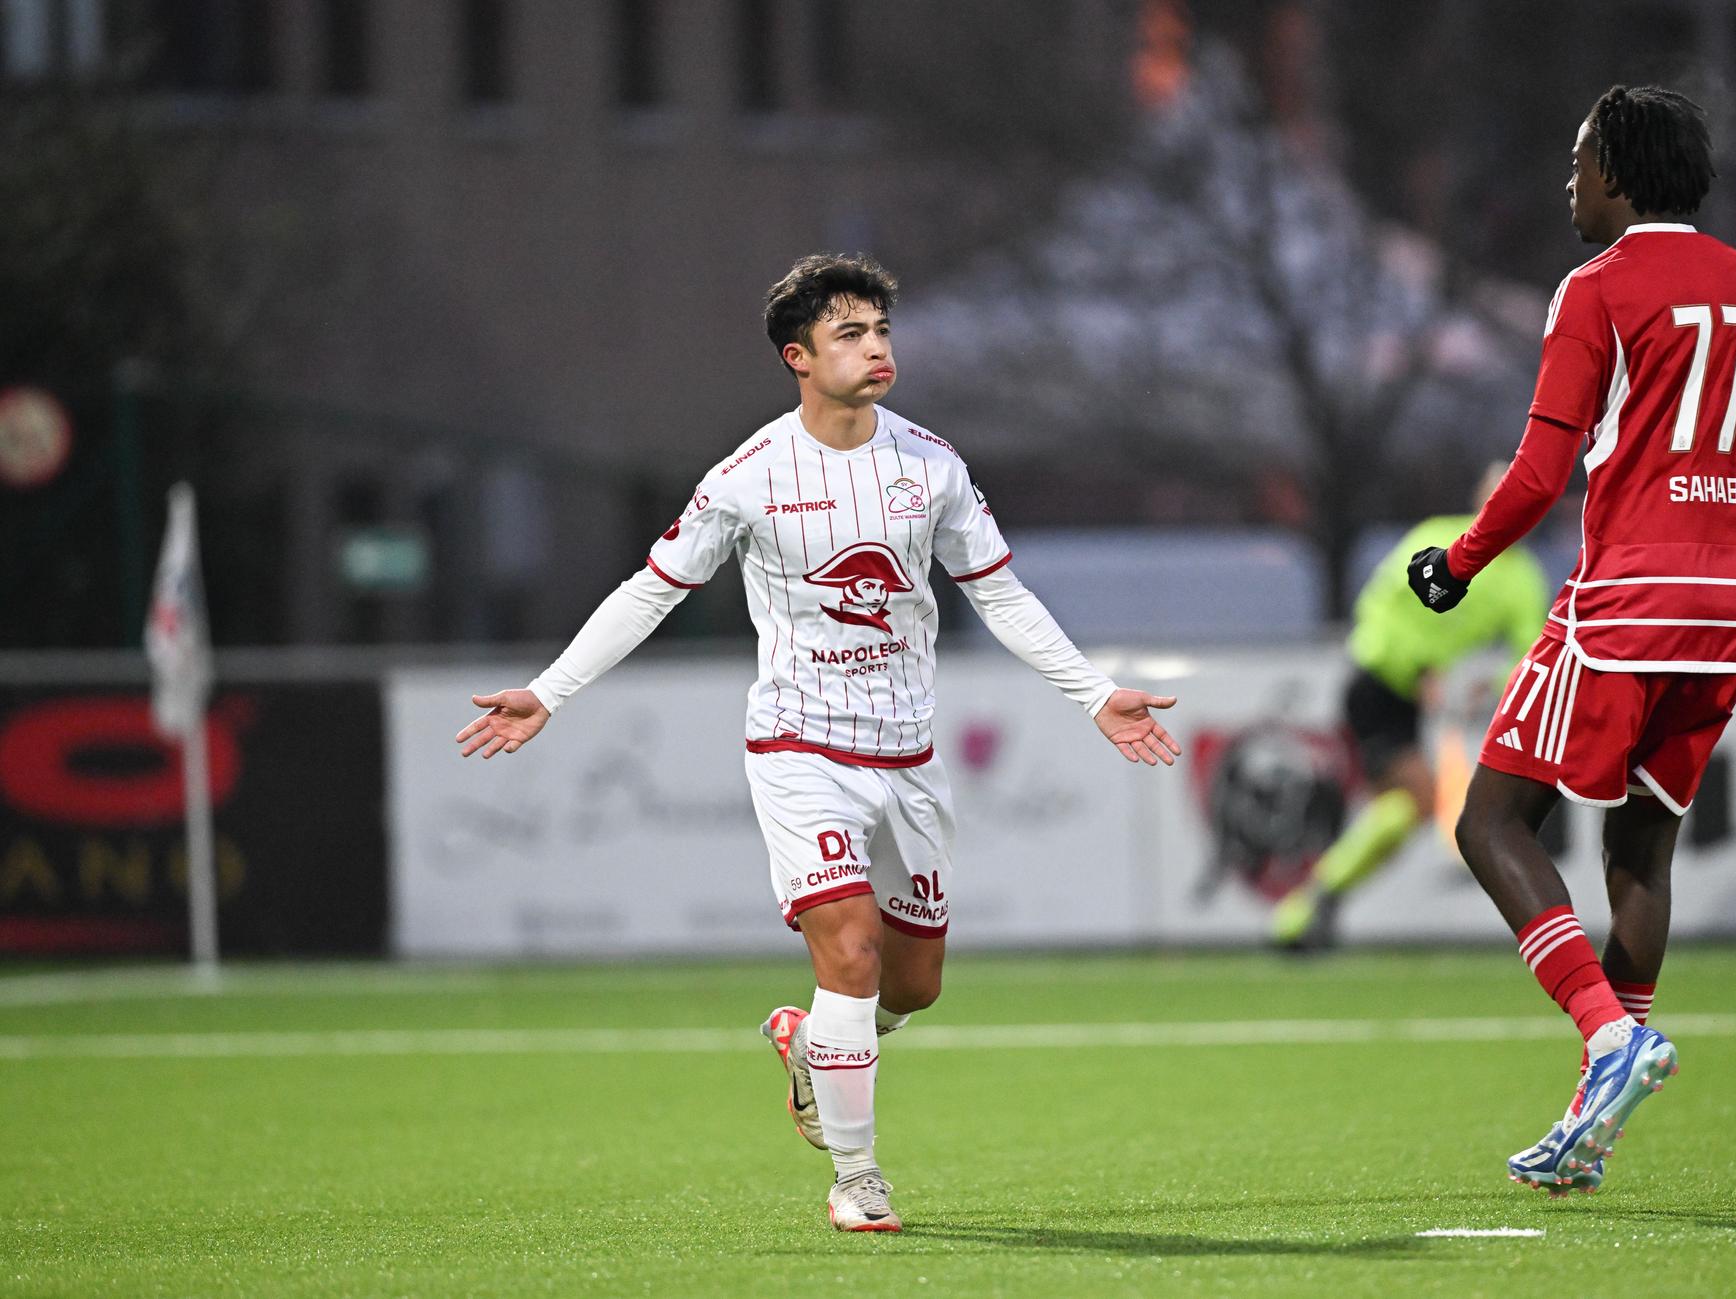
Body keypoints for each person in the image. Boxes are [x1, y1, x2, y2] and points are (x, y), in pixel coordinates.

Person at [455, 254, 1181, 1233]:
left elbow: (998, 591)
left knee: (911, 986)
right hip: (801, 750)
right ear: (798, 357)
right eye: (851, 333)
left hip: (910, 758)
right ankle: (857, 1178)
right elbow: (650, 590)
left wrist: (1094, 695)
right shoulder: (747, 479)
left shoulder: (932, 466)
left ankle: (816, 1045)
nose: (876, 347)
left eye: (882, 330)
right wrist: (550, 691)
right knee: (848, 948)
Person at [1407, 84, 1736, 1196]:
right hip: (1734, 605)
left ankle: (1607, 1039)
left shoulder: (1599, 288)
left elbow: (1539, 470)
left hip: (1628, 596)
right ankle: (1596, 1113)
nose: (1569, 182)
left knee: (1489, 820)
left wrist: (1459, 563)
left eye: (1579, 161)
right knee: (1640, 854)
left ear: (1618, 171)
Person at [1271, 464, 1548, 950]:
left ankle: (1315, 907)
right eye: (1500, 495)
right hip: (1377, 685)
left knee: (1406, 807)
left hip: (1409, 698)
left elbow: (1529, 654)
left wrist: (1489, 685)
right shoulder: (1440, 538)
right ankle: (1309, 906)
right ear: (1483, 499)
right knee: (1417, 800)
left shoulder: (1523, 579)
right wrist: (1416, 666)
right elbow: (1379, 606)